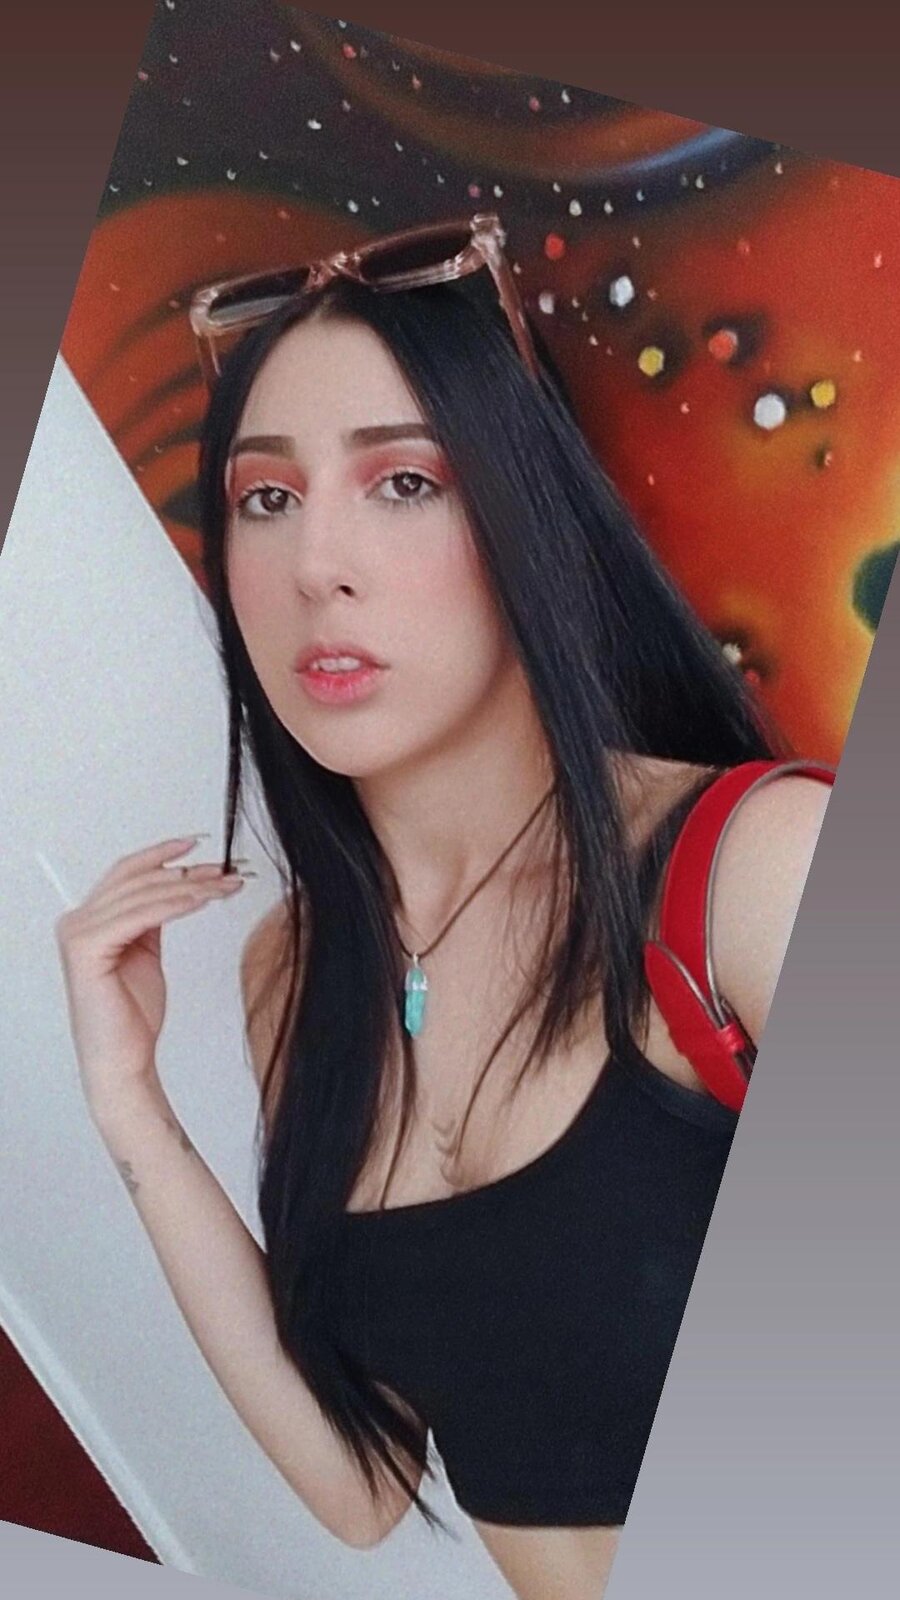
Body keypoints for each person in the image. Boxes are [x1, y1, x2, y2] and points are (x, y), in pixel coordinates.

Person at [56, 217, 831, 1600]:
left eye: (404, 481)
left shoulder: (755, 874)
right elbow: (361, 1488)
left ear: (529, 516)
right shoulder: (295, 974)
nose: (316, 564)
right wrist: (134, 1114)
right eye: (265, 498)